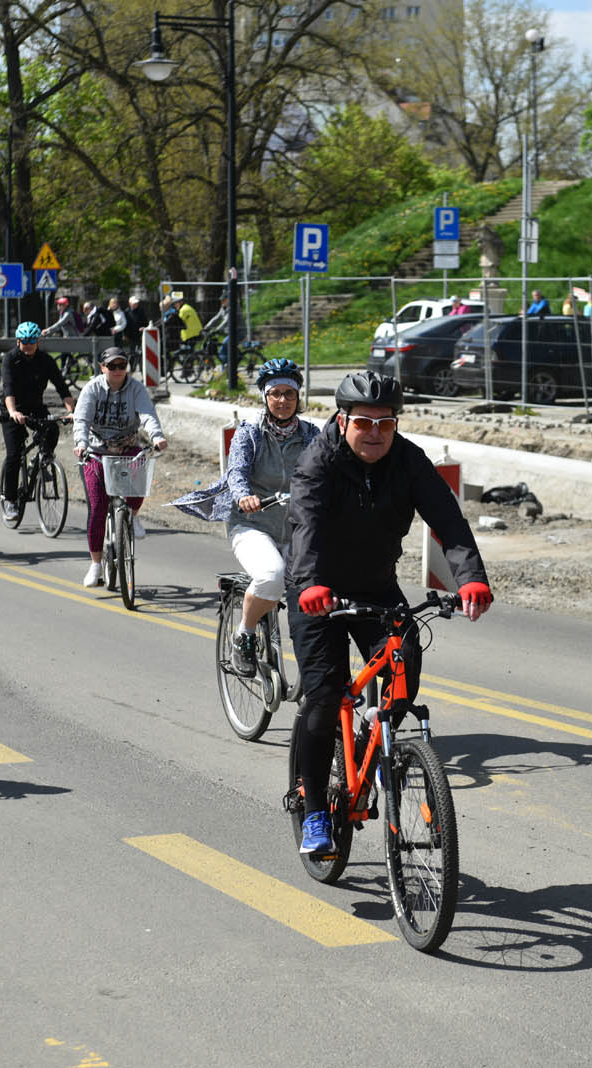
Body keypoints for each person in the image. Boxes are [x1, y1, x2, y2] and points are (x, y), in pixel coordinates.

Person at [286, 371, 492, 854]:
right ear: (342, 421)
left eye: (386, 423)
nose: (375, 432)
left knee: (406, 656)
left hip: (375, 585)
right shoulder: (318, 460)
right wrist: (312, 582)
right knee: (324, 696)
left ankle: (376, 739)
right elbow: (304, 524)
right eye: (363, 422)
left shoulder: (409, 461)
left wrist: (472, 578)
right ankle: (315, 809)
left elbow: (449, 521)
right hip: (316, 590)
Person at [218, 359, 318, 674]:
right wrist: (244, 496)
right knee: (272, 576)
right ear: (265, 396)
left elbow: (328, 470)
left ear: (298, 397)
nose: (283, 400)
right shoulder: (250, 434)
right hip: (252, 525)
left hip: (298, 529)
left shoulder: (312, 435)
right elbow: (236, 471)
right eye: (276, 393)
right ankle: (244, 634)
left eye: (290, 393)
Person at [72, 346, 168, 586]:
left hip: (127, 449)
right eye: (112, 366)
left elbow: (147, 414)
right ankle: (96, 564)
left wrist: (156, 436)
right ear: (102, 367)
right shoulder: (92, 388)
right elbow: (81, 419)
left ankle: (132, 516)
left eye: (121, 366)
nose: (117, 370)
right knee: (97, 506)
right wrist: (81, 443)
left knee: (140, 479)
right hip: (95, 452)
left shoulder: (136, 388)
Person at [0, 321, 75, 520]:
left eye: (32, 341)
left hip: (35, 407)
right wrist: (13, 412)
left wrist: (72, 411)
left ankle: (42, 458)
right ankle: (10, 501)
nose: (29, 345)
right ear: (18, 341)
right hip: (12, 409)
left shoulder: (45, 360)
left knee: (53, 429)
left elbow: (62, 388)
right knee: (14, 454)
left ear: (38, 341)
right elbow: (8, 388)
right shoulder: (10, 359)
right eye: (25, 341)